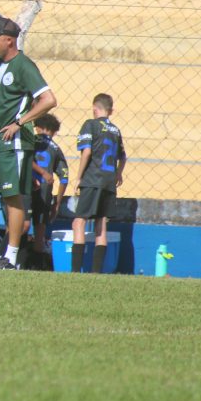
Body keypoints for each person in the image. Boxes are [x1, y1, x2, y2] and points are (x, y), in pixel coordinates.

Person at [0, 17, 57, 270]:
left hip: (12, 145)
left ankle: (10, 257)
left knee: (13, 198)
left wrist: (20, 122)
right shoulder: (2, 67)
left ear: (9, 40)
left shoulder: (23, 65)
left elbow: (48, 99)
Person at [70, 93, 127, 273]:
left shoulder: (90, 124)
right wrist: (118, 174)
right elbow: (123, 157)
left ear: (95, 109)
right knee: (101, 225)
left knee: (78, 222)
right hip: (109, 182)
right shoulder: (116, 130)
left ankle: (74, 272)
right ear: (111, 110)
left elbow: (86, 152)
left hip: (92, 179)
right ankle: (96, 273)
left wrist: (79, 177)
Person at [26, 113, 69, 270]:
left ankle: (16, 259)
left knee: (20, 224)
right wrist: (57, 203)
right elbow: (64, 177)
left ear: (38, 128)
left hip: (27, 187)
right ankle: (37, 266)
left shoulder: (29, 141)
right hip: (44, 191)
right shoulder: (56, 148)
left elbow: (24, 159)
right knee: (40, 229)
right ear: (53, 131)